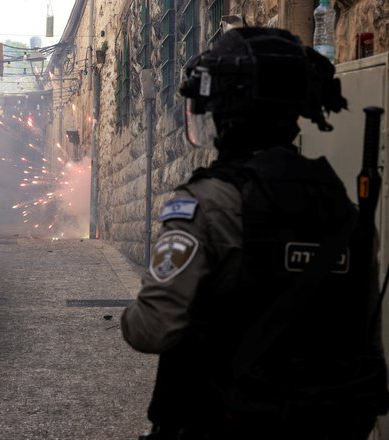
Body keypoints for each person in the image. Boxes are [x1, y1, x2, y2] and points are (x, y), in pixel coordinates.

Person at [121, 27, 389, 439]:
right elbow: (366, 341)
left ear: (225, 111)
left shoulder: (209, 203)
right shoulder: (345, 211)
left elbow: (152, 329)